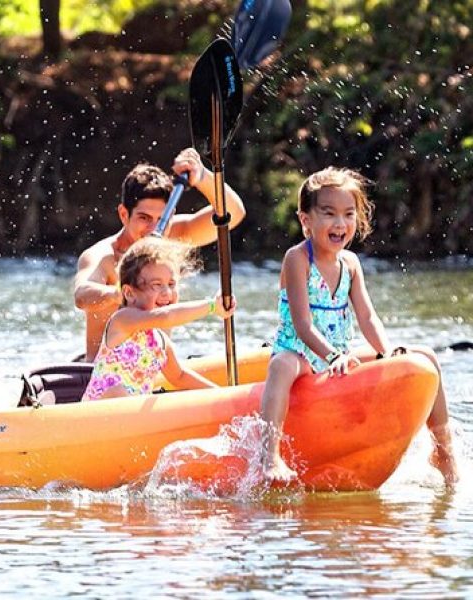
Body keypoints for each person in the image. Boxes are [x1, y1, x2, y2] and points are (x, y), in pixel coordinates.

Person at [259, 167, 458, 486]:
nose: (340, 223)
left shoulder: (350, 263)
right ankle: (269, 457)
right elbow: (302, 323)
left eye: (348, 214)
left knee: (426, 356)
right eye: (329, 213)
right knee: (280, 366)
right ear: (305, 219)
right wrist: (331, 356)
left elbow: (367, 317)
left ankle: (443, 451)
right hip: (301, 352)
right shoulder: (297, 259)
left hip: (340, 352)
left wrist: (386, 351)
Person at [74, 147, 246, 361]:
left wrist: (203, 177)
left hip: (155, 373)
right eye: (144, 218)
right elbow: (81, 296)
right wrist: (123, 294)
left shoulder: (173, 235)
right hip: (105, 377)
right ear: (124, 214)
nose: (153, 229)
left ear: (171, 215)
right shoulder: (104, 256)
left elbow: (234, 213)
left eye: (161, 219)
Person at [81, 236, 235, 402]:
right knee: (118, 392)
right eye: (156, 285)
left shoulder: (161, 341)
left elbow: (180, 376)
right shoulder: (123, 320)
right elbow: (166, 317)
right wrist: (212, 306)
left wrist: (223, 395)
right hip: (98, 415)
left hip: (134, 417)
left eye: (171, 284)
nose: (167, 293)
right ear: (129, 293)